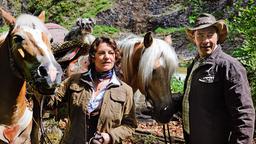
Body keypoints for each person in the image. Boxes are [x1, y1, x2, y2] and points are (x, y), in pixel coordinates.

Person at [182, 13, 255, 144]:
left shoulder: (230, 67)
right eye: (200, 35)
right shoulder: (194, 65)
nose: (205, 41)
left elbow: (244, 114)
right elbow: (193, 96)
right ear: (194, 38)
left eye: (210, 35)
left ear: (218, 37)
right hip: (192, 137)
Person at [55, 36, 137, 144]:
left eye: (111, 53)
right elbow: (52, 101)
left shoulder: (125, 90)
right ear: (93, 57)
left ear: (115, 57)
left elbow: (130, 125)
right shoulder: (75, 80)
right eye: (102, 53)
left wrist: (109, 137)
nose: (107, 57)